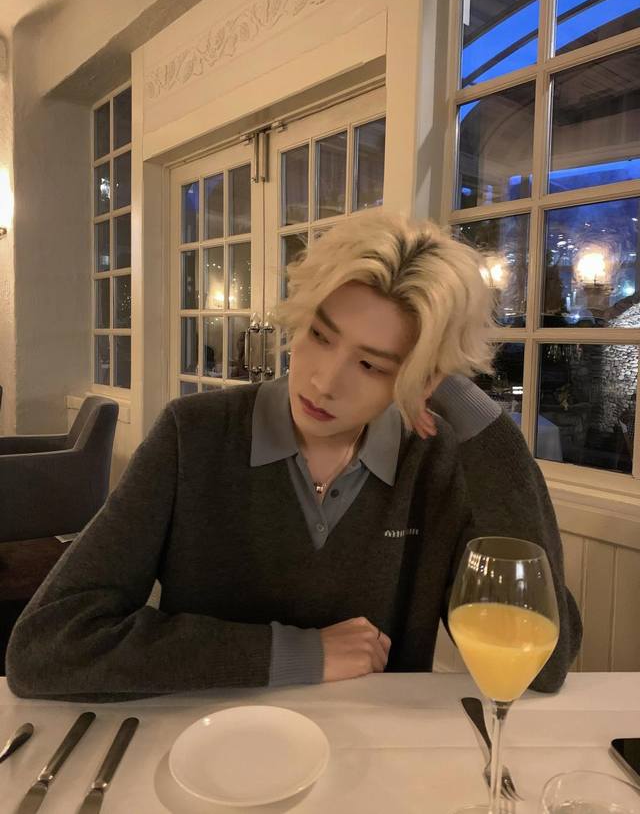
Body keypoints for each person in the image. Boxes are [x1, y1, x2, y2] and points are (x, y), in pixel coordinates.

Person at [6, 212, 581, 701]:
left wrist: (469, 406)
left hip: (376, 761)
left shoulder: (434, 464)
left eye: (372, 365)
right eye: (321, 336)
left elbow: (544, 666)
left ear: (419, 378)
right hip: (207, 754)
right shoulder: (193, 435)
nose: (324, 381)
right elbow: (46, 646)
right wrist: (294, 654)